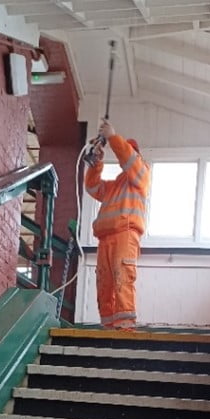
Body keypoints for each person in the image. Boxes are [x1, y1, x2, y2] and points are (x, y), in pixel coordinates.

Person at [84, 119, 150, 330]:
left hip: (125, 234)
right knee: (105, 283)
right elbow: (93, 187)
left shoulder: (141, 175)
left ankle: (125, 327)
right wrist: (97, 163)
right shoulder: (115, 187)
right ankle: (109, 327)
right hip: (107, 238)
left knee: (122, 278)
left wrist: (112, 137)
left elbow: (129, 159)